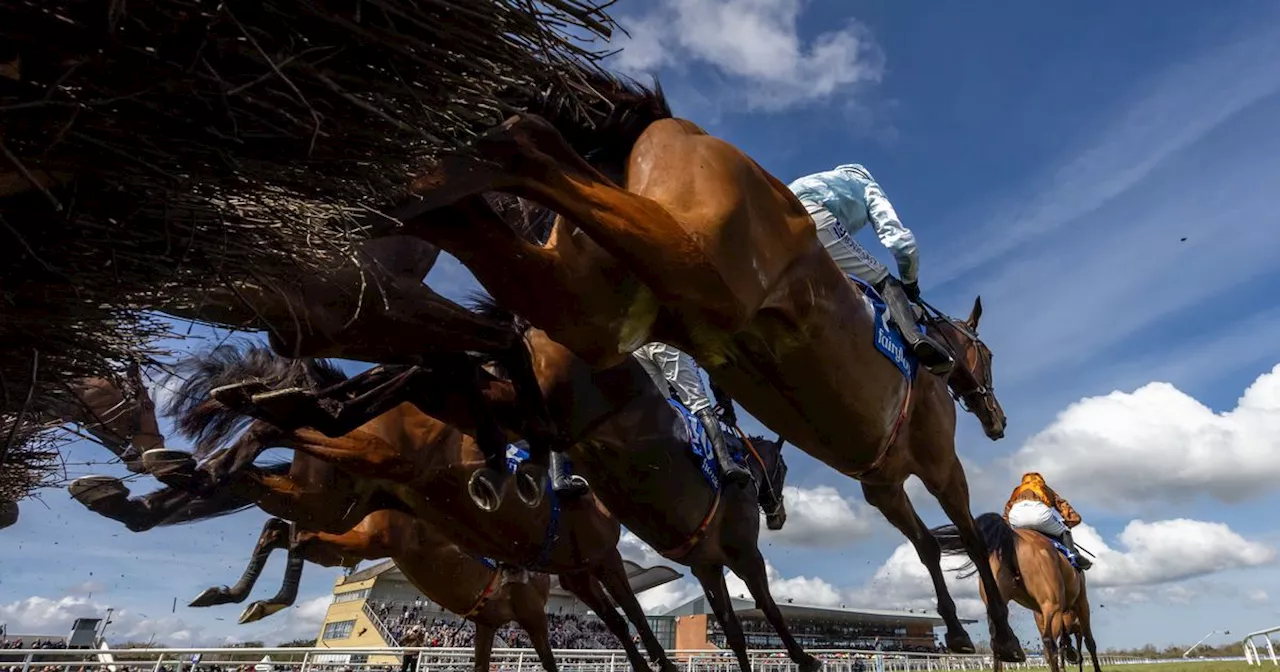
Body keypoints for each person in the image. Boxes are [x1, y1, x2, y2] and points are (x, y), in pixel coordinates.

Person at [787, 164, 953, 375]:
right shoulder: (868, 187)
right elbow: (902, 243)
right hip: (813, 216)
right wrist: (910, 283)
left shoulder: (824, 178)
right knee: (883, 277)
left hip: (774, 212)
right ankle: (915, 339)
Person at [632, 342, 751, 485]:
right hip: (668, 342)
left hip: (638, 346)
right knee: (699, 404)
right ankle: (726, 463)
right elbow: (715, 378)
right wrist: (728, 409)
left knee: (659, 409)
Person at [1003, 472, 1092, 570]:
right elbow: (1061, 505)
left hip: (1016, 516)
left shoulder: (1017, 490)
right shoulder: (1044, 488)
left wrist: (1005, 527)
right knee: (1065, 530)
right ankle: (1073, 555)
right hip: (1039, 514)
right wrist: (1071, 520)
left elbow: (1007, 510)